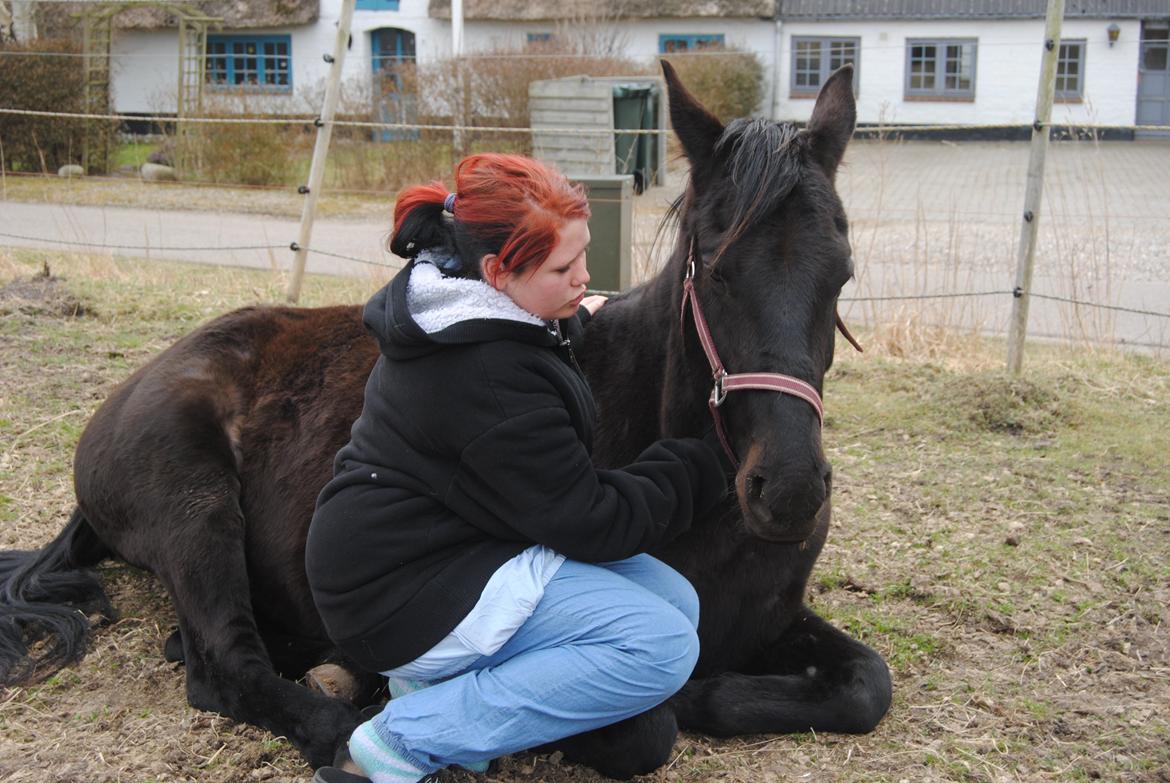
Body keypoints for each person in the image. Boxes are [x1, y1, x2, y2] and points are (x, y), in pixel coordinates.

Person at [305, 153, 729, 783]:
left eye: (583, 255)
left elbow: (524, 350)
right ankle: (398, 743)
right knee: (659, 646)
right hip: (398, 588)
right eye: (563, 268)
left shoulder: (464, 312)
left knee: (674, 599)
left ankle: (439, 695)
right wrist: (702, 462)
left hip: (448, 542)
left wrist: (572, 316)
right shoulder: (486, 378)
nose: (585, 277)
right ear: (497, 272)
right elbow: (593, 521)